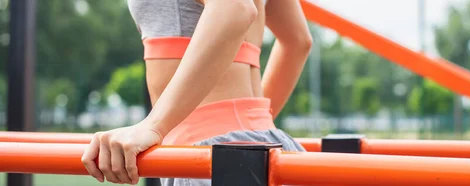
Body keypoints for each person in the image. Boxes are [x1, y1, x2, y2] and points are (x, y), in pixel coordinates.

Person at [80, 0, 313, 185]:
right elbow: (297, 41)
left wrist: (153, 125)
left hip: (209, 156)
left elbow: (234, 8)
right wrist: (254, 123)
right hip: (266, 142)